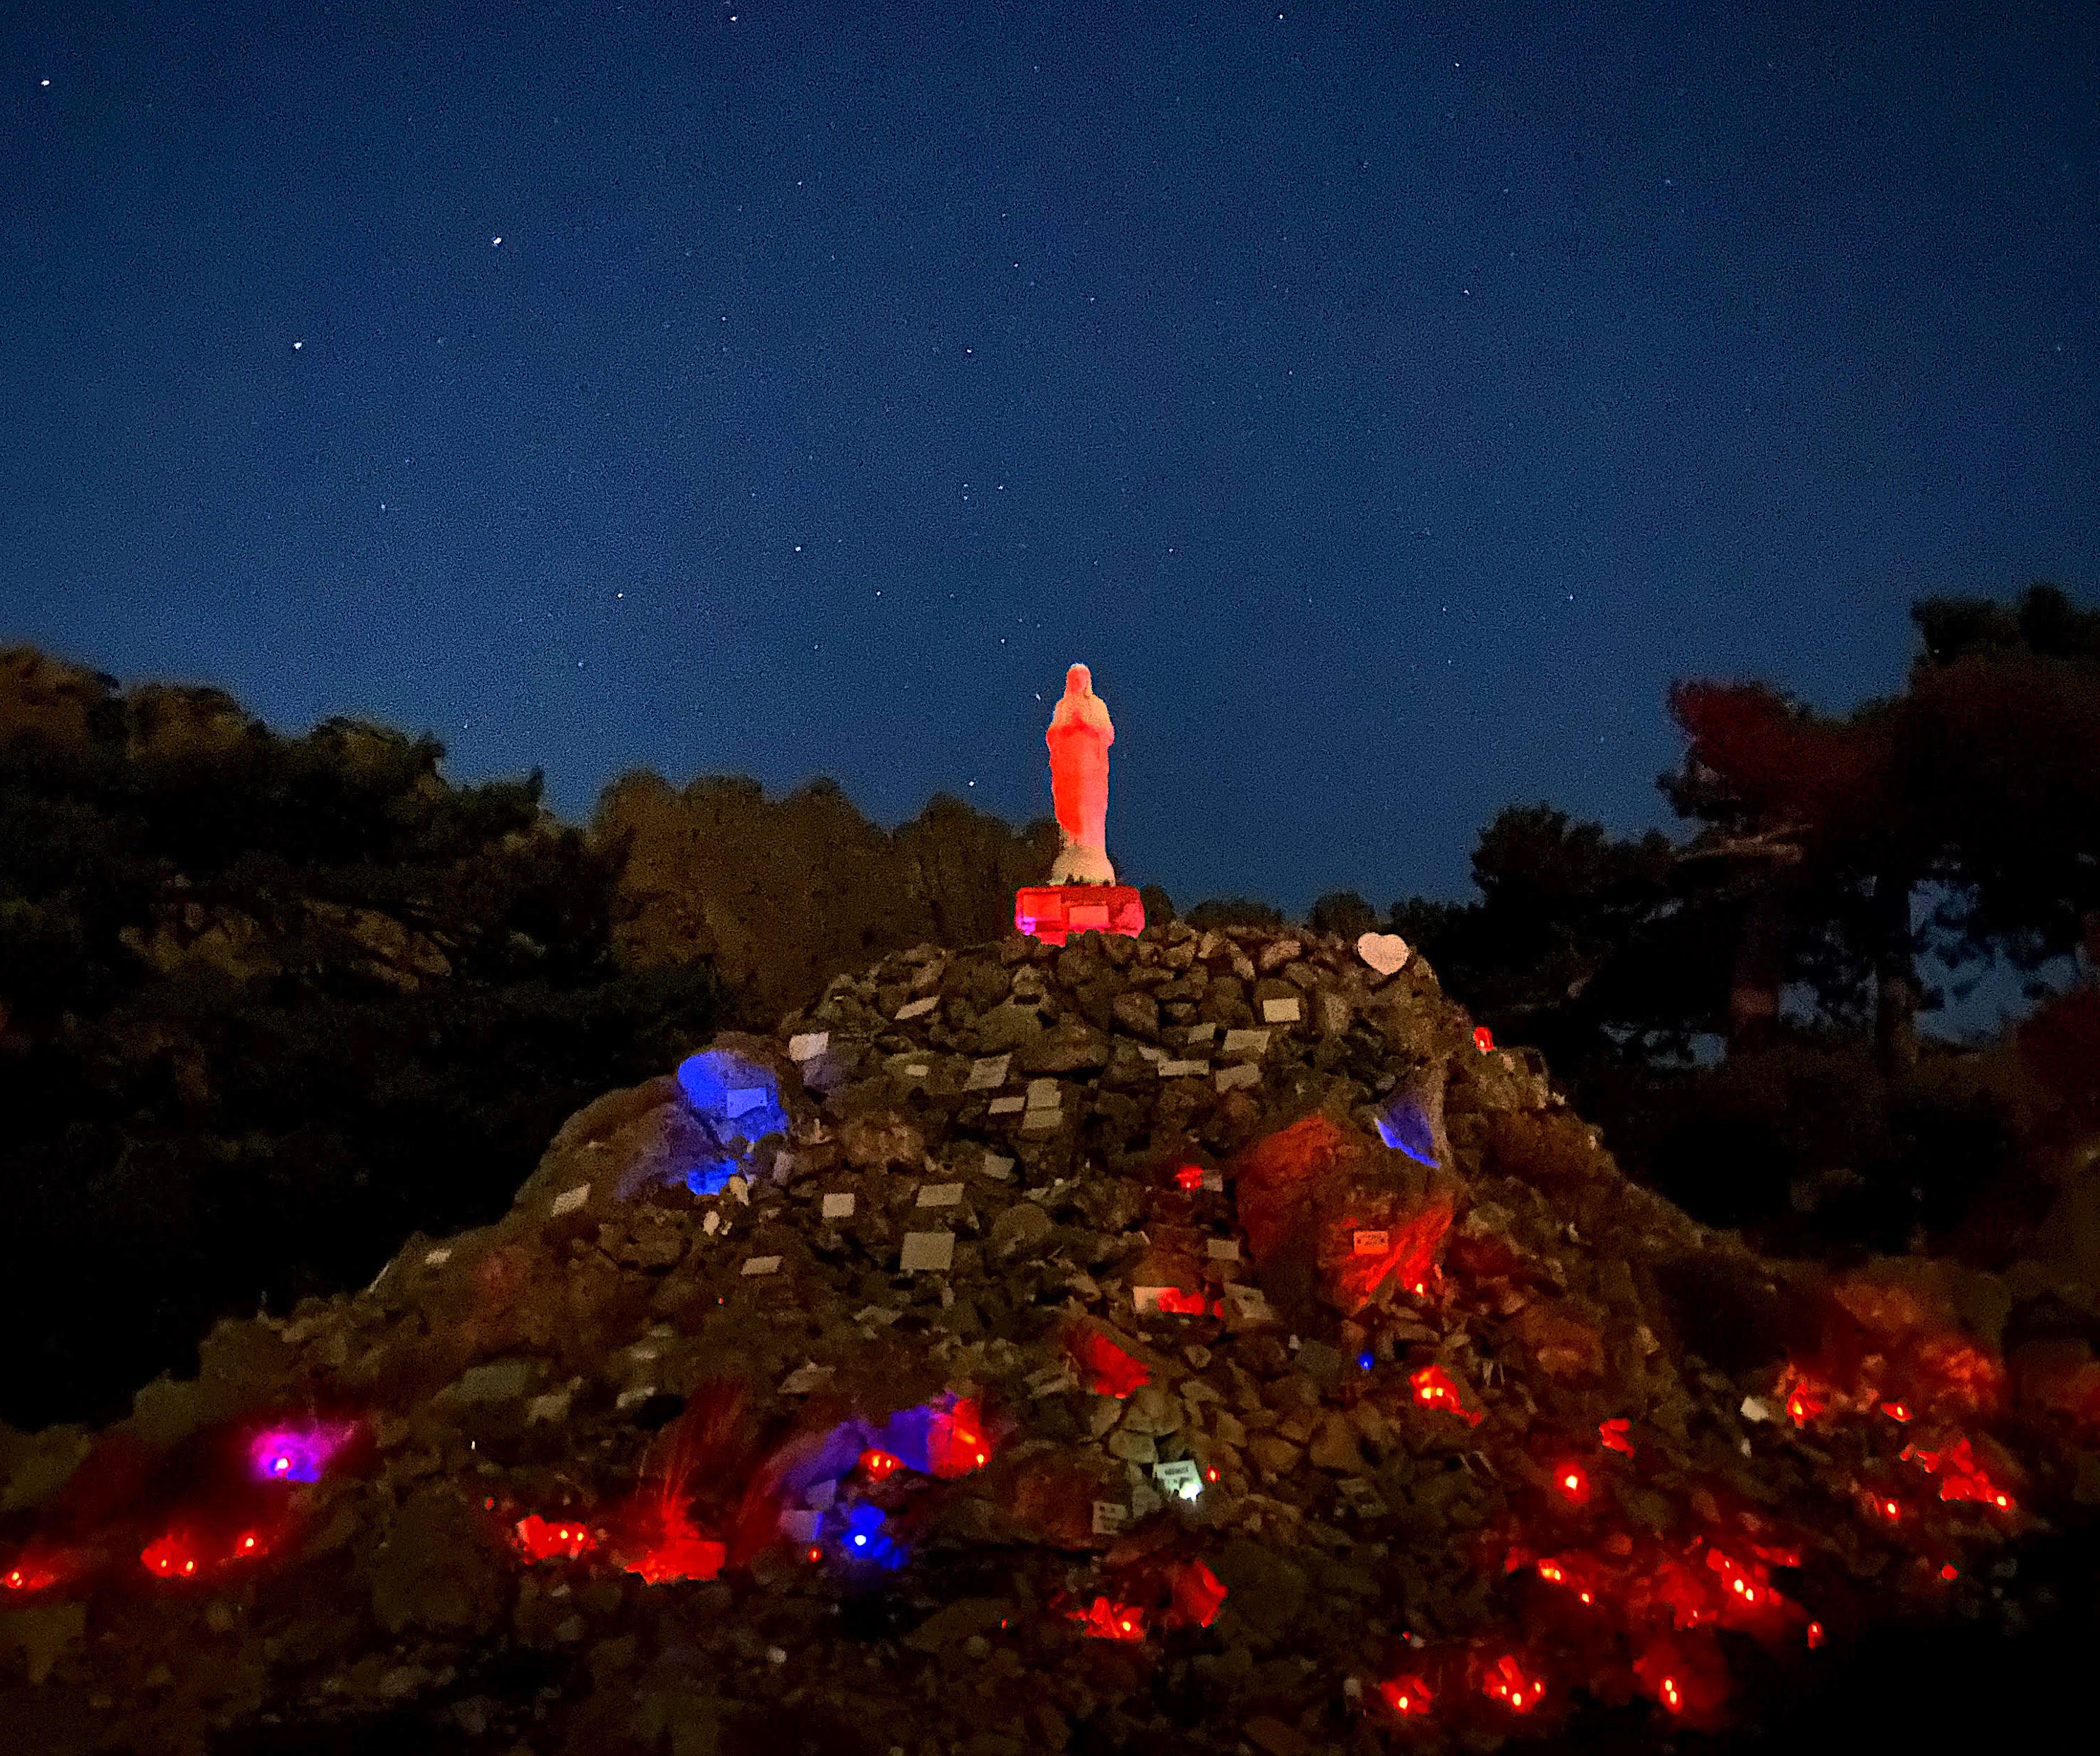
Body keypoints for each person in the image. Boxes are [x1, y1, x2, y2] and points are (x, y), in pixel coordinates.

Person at [1046, 663, 1115, 884]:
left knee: (1090, 811)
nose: (1077, 682)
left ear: (1087, 682)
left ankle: (1091, 851)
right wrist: (1068, 728)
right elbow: (1051, 735)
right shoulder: (1062, 706)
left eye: (1081, 678)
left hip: (1091, 770)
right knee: (1068, 808)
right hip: (1068, 770)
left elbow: (1108, 734)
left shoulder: (1097, 706)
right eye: (1073, 678)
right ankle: (1070, 847)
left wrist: (1085, 727)